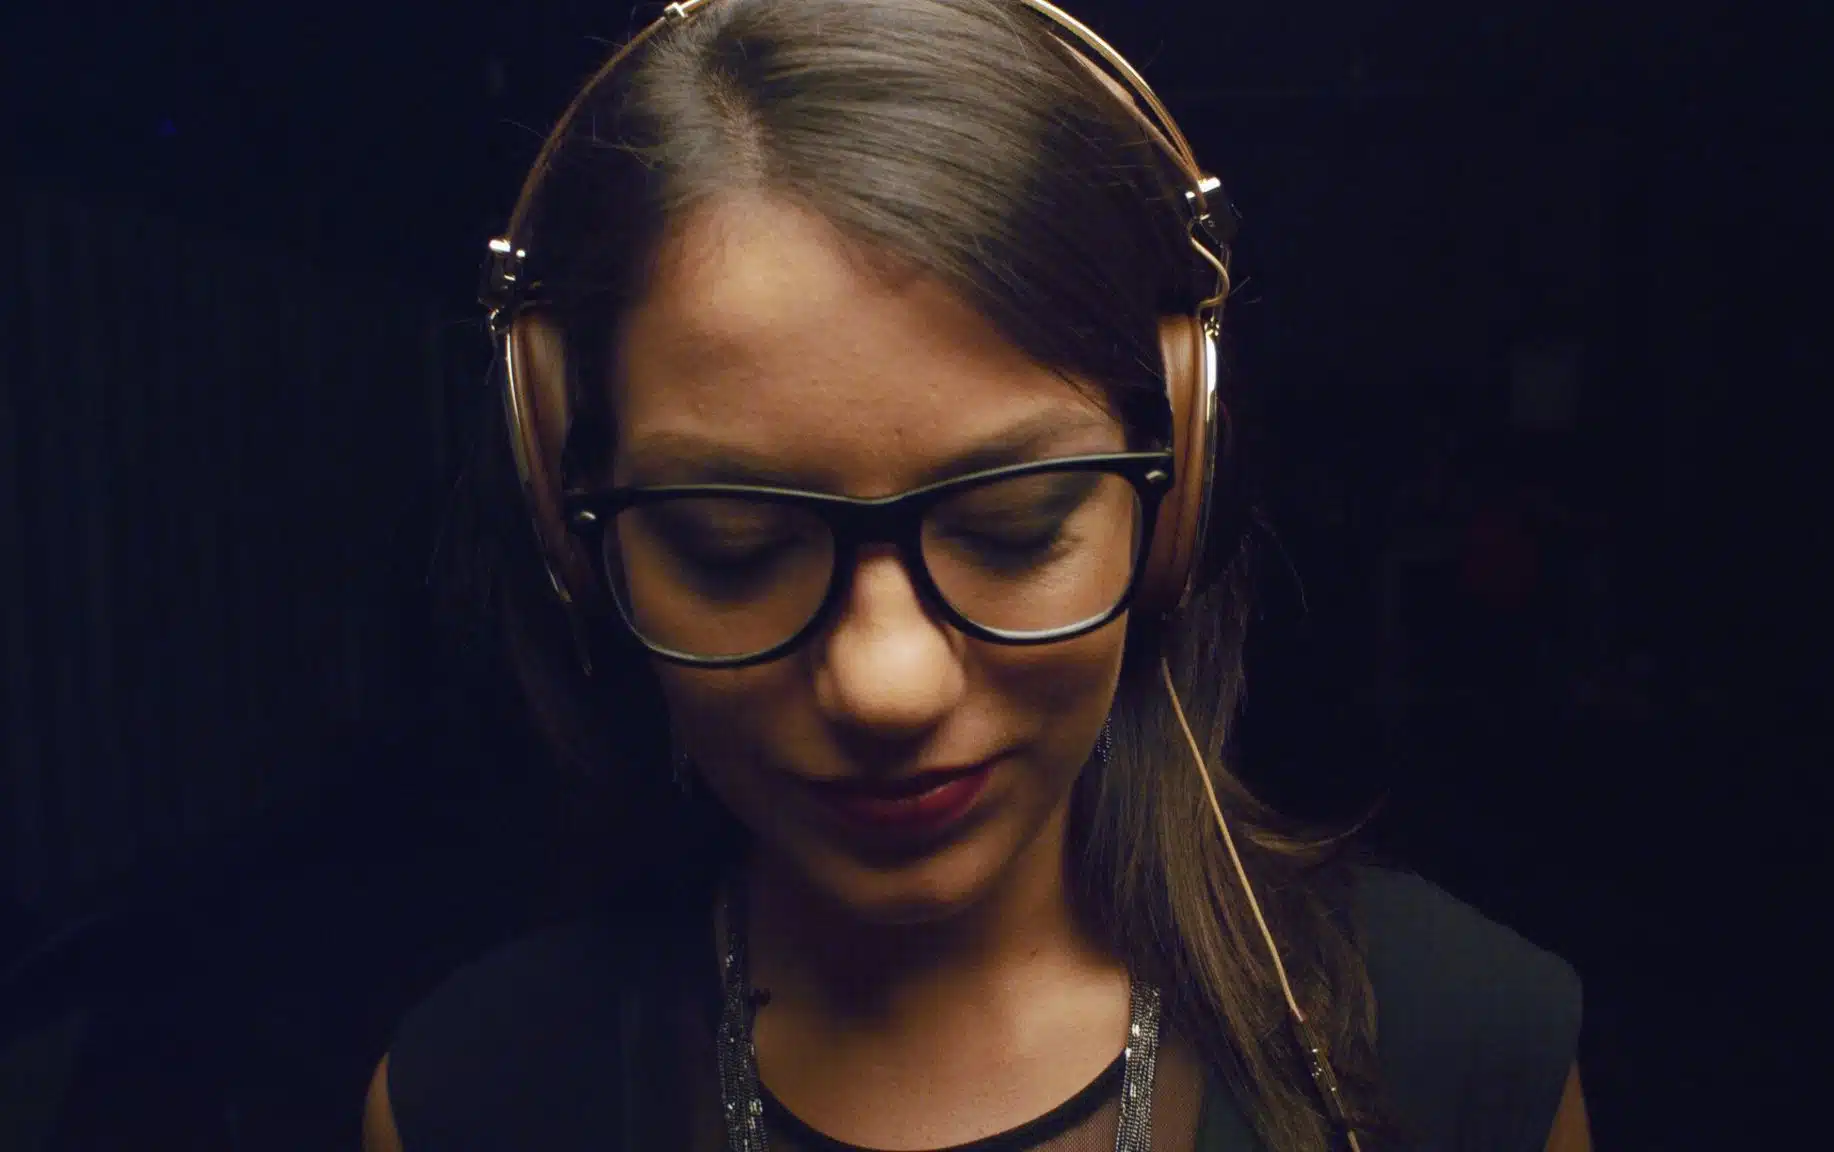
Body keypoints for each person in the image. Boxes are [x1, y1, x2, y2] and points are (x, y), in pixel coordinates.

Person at [363, 2, 1591, 1149]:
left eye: (1012, 528)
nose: (885, 685)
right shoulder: (468, 1099)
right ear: (575, 540)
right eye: (729, 548)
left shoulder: (1463, 1054)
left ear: (1173, 498)